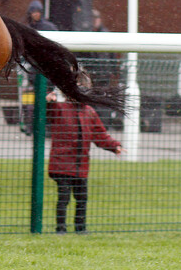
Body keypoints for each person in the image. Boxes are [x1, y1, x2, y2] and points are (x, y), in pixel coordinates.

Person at [46, 87, 123, 234]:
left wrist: (115, 146)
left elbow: (100, 134)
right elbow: (45, 112)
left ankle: (80, 228)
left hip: (80, 165)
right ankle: (61, 228)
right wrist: (48, 101)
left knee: (81, 198)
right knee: (64, 198)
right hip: (62, 163)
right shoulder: (59, 108)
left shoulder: (89, 112)